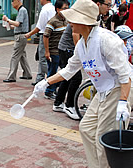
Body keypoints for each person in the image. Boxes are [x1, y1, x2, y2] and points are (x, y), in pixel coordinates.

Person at [33, 0, 133, 167]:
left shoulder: (106, 40)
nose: (70, 22)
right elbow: (69, 70)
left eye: (73, 19)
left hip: (120, 88)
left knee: (104, 137)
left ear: (84, 21)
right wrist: (45, 82)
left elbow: (125, 76)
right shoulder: (82, 44)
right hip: (103, 90)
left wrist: (123, 102)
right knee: (86, 129)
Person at [53, 24, 82, 120]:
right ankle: (69, 106)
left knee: (68, 76)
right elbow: (75, 34)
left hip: (67, 49)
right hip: (67, 49)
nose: (108, 7)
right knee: (76, 78)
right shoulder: (80, 15)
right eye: (107, 6)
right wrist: (80, 53)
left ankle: (58, 103)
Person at [24, 0, 55, 86]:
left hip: (45, 35)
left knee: (43, 58)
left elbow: (39, 27)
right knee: (45, 58)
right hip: (52, 36)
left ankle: (48, 79)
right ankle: (40, 78)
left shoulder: (45, 10)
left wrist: (29, 34)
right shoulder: (52, 8)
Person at [43, 0, 69, 99]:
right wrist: (47, 51)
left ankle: (56, 89)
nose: (66, 10)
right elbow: (45, 36)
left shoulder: (66, 20)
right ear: (58, 9)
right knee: (52, 72)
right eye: (64, 8)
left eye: (67, 8)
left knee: (63, 71)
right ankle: (49, 91)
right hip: (54, 51)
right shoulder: (53, 21)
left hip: (62, 51)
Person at [2, 0, 32, 83]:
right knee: (22, 56)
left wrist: (8, 20)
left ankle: (11, 76)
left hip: (20, 36)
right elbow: (18, 25)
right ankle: (27, 74)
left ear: (18, 1)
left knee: (15, 56)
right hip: (22, 36)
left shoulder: (22, 10)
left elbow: (18, 24)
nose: (12, 3)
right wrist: (10, 25)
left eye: (13, 1)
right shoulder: (22, 10)